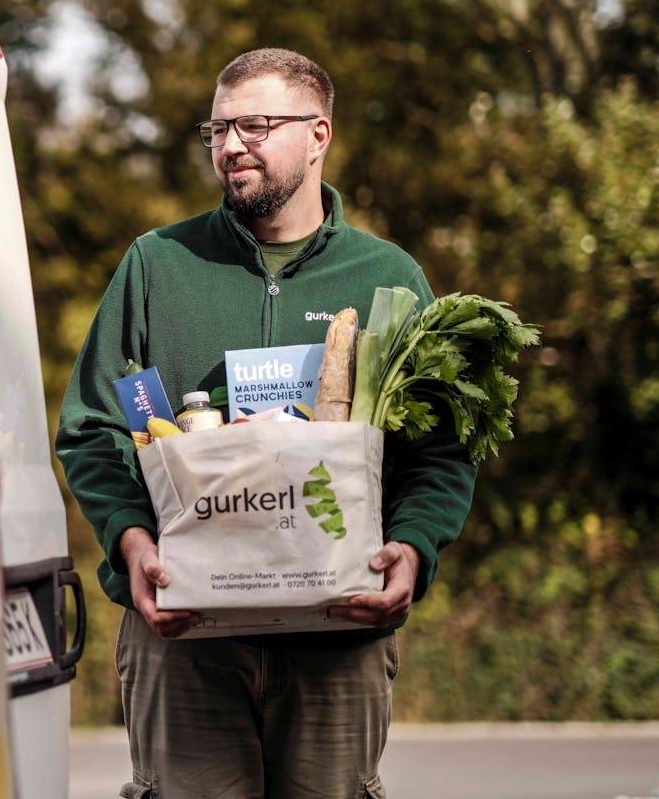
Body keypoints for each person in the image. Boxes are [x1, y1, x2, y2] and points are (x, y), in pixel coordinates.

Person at [56, 48, 477, 798]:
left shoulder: (389, 278)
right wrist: (132, 540)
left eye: (254, 125)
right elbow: (94, 426)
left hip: (337, 631)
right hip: (184, 636)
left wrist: (414, 548)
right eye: (216, 130)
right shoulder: (159, 265)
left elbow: (440, 452)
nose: (229, 146)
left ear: (319, 135)